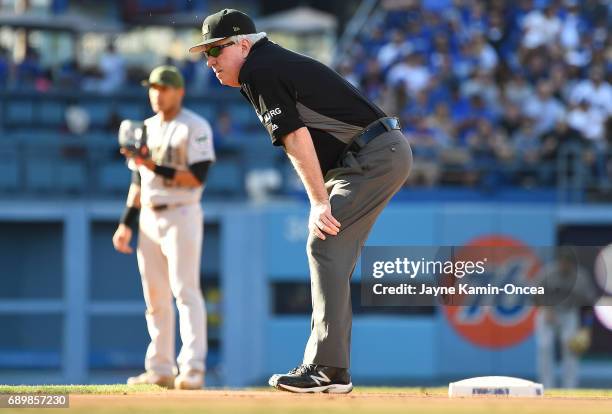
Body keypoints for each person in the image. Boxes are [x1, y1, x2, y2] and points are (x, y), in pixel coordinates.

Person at [189, 9, 412, 393]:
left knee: (323, 242)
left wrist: (319, 202)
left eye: (216, 50)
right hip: (370, 154)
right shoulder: (262, 65)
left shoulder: (259, 68)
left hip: (372, 155)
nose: (210, 61)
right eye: (206, 53)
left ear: (243, 44)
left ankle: (326, 367)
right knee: (331, 249)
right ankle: (333, 370)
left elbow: (295, 137)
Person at [112, 65, 215, 389]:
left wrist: (151, 164)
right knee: (155, 297)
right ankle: (160, 368)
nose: (157, 93)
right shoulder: (144, 127)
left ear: (179, 91)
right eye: (153, 87)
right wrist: (126, 223)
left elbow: (197, 176)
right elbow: (137, 181)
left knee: (185, 291)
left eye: (163, 87)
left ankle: (193, 367)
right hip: (149, 218)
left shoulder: (195, 126)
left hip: (181, 212)